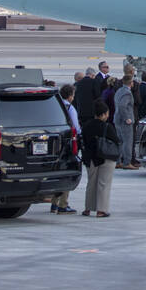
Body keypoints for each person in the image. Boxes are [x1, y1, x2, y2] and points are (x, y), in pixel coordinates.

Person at [80, 100, 118, 218]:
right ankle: (102, 210)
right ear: (103, 114)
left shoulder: (86, 125)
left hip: (90, 157)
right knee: (104, 183)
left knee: (91, 183)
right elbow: (116, 141)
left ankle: (88, 208)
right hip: (105, 157)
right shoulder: (107, 127)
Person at [49, 84, 79, 213]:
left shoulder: (56, 106)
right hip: (67, 144)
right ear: (70, 95)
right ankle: (63, 204)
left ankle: (54, 202)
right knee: (67, 173)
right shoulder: (70, 108)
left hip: (55, 143)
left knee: (56, 172)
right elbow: (76, 128)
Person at [114, 75, 137, 169]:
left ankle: (118, 161)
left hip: (117, 119)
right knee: (127, 141)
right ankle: (127, 162)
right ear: (130, 83)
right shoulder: (127, 93)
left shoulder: (119, 91)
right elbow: (123, 106)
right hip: (125, 120)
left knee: (119, 141)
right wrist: (127, 117)